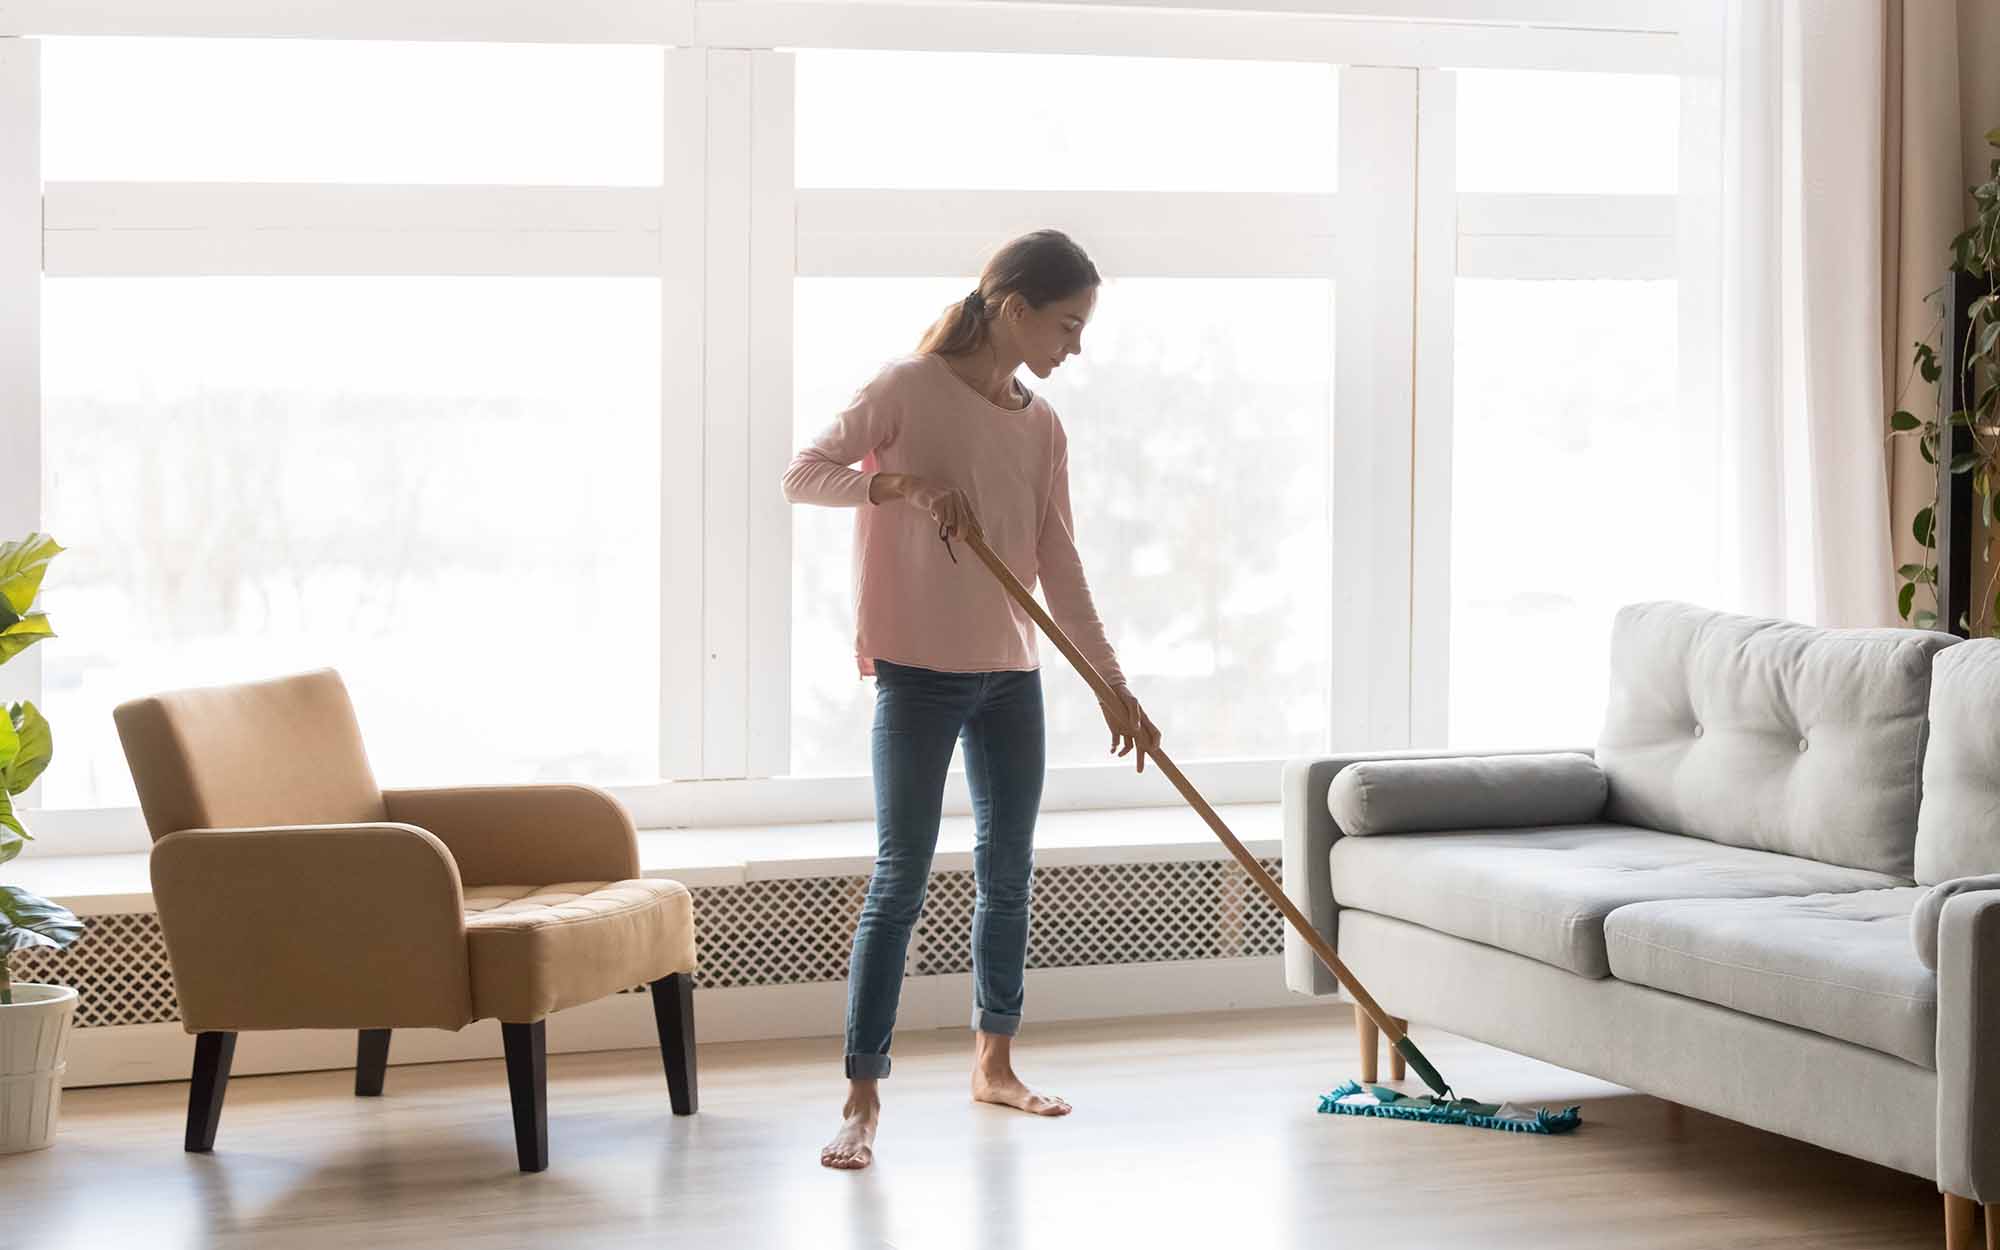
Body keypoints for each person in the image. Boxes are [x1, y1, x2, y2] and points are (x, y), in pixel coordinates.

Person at [781, 228, 1161, 1171]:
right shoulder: (905, 389)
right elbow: (804, 474)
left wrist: (1114, 687)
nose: (1074, 346)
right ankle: (862, 1097)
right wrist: (899, 485)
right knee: (901, 876)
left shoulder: (1041, 426)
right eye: (1067, 325)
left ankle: (995, 1062)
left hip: (1011, 680)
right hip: (917, 675)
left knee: (1008, 875)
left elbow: (1059, 567)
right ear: (1014, 308)